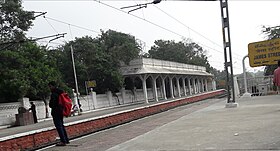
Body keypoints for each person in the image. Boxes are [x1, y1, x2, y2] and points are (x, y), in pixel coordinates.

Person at [48, 81, 70, 146]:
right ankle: (66, 140)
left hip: (56, 111)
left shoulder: (54, 94)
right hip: (61, 111)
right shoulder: (61, 92)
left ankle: (63, 141)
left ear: (52, 86)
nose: (49, 88)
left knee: (59, 126)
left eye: (50, 86)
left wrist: (50, 103)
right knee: (61, 125)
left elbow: (52, 104)